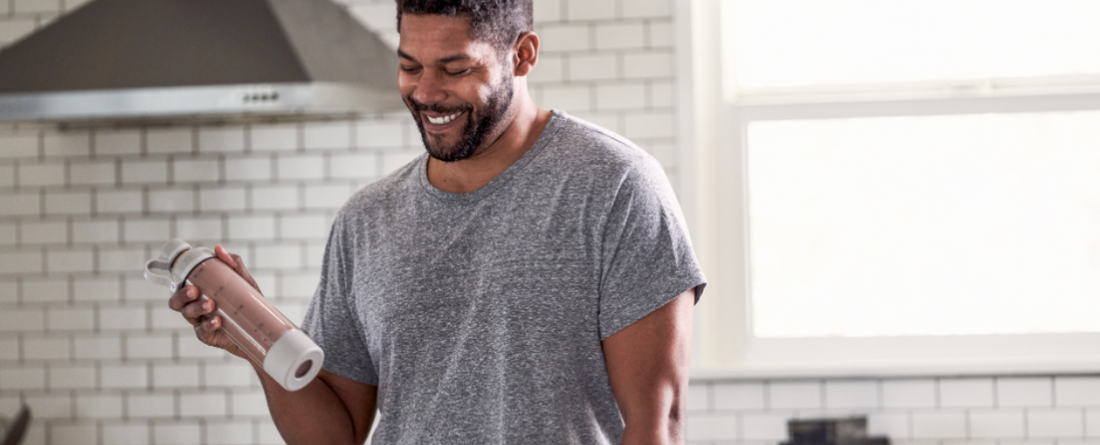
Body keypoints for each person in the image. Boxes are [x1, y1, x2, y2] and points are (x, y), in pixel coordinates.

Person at [167, 0, 706, 443]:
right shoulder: (367, 220)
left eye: (455, 69)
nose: (426, 93)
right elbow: (335, 435)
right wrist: (258, 341)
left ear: (522, 55)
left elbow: (656, 425)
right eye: (409, 66)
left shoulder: (615, 186)